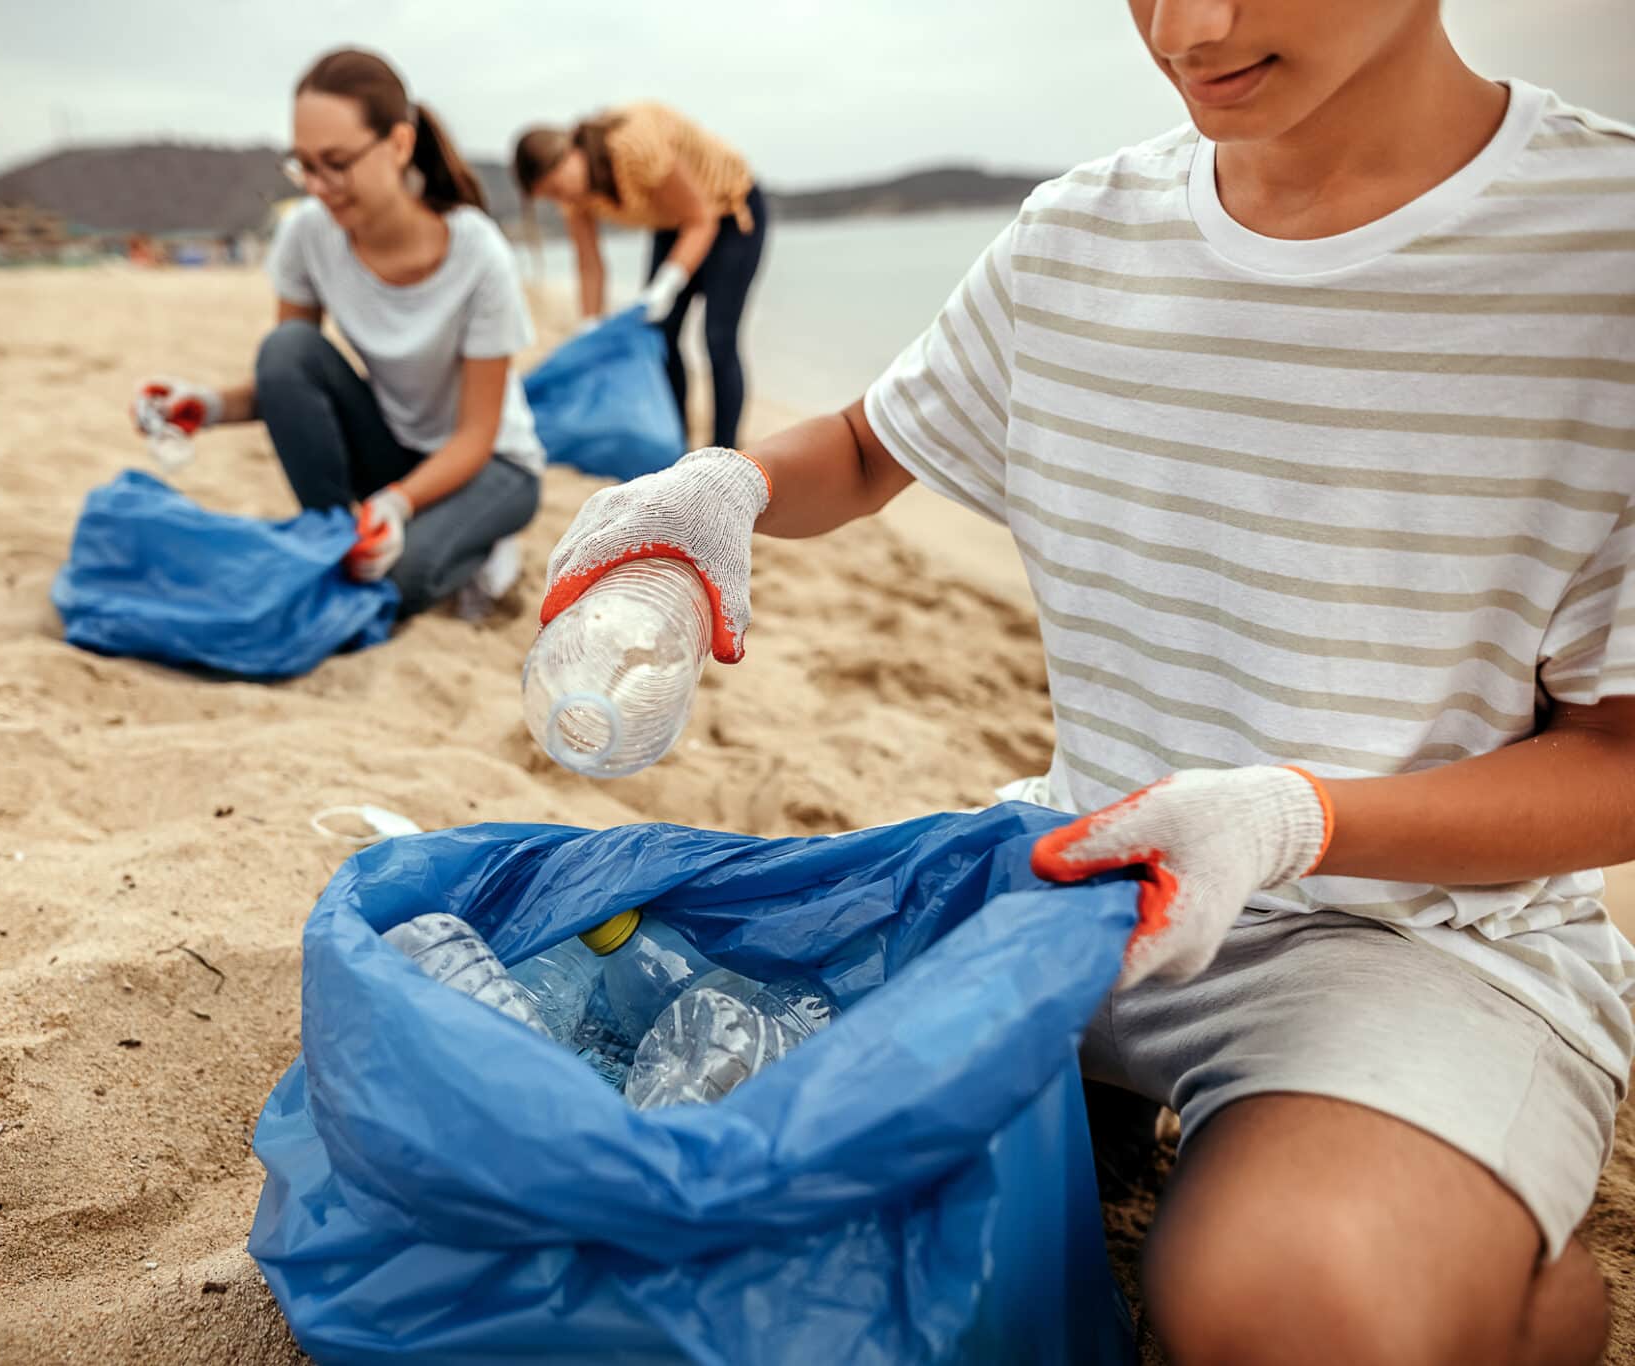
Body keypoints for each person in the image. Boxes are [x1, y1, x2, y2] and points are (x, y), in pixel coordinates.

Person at [534, 1, 1635, 1361]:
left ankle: (1505, 1265)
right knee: (704, 1130)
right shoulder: (1077, 234)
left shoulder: (1605, 254)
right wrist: (729, 488)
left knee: (1277, 1306)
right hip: (1083, 872)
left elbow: (1620, 760)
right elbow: (876, 448)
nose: (1190, 25)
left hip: (1413, 944)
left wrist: (1295, 817)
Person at [135, 48, 542, 617]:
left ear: (399, 145)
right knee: (287, 347)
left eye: (337, 162)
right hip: (393, 447)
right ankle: (334, 537)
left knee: (398, 581)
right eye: (304, 165)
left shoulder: (478, 254)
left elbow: (476, 435)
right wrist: (204, 406)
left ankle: (479, 546)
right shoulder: (307, 234)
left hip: (492, 466)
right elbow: (285, 379)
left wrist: (396, 507)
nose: (320, 186)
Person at [512, 104, 766, 450]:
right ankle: (680, 450)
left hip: (729, 212)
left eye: (557, 187)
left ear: (570, 152)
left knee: (718, 339)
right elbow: (589, 263)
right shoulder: (574, 196)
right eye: (551, 196)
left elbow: (701, 219)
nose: (562, 198)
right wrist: (590, 326)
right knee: (661, 334)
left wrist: (668, 284)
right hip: (674, 224)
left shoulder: (633, 145)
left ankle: (726, 452)